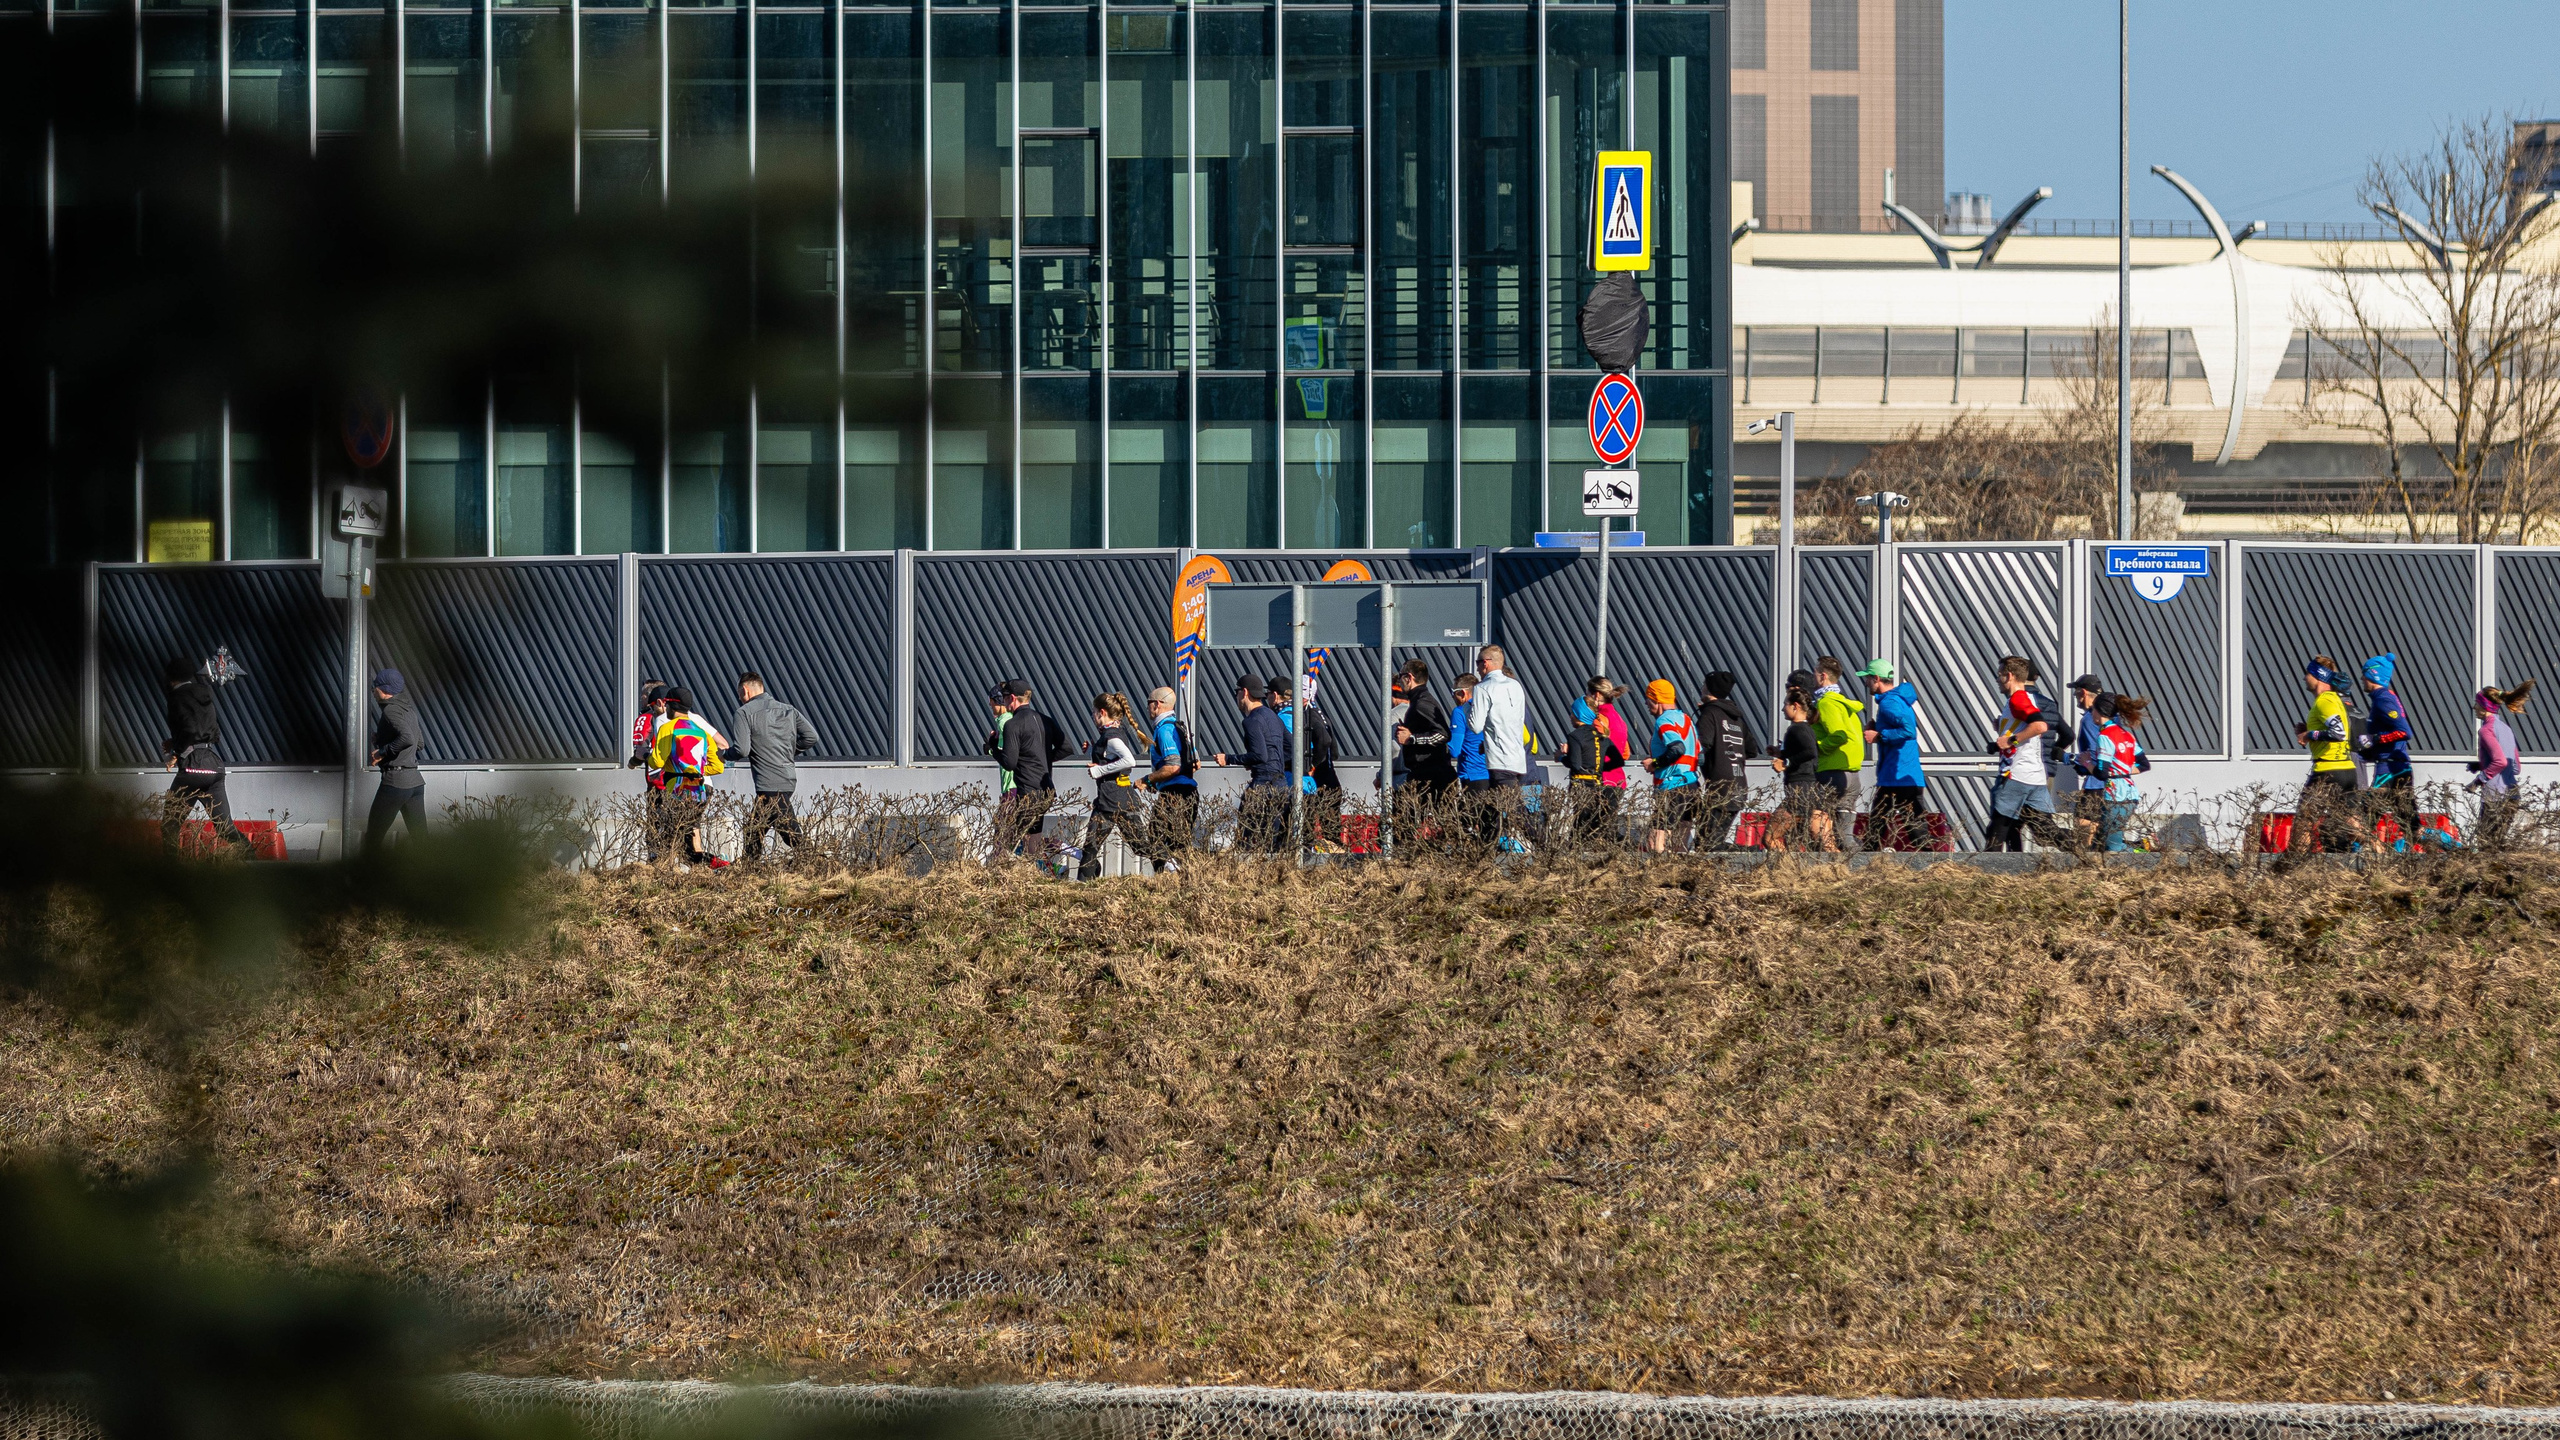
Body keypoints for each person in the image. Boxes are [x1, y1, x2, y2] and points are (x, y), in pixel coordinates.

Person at [159, 657, 253, 857]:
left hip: (194, 768)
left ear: (170, 678)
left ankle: (169, 875)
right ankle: (256, 862)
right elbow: (214, 733)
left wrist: (176, 752)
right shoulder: (205, 695)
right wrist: (176, 740)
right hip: (214, 768)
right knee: (225, 828)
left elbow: (190, 729)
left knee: (169, 826)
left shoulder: (176, 697)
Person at [732, 671, 821, 862]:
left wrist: (723, 755)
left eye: (739, 694)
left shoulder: (744, 713)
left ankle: (818, 863)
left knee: (790, 833)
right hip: (787, 778)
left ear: (745, 691)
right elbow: (812, 737)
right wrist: (788, 752)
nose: (740, 698)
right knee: (755, 831)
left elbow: (741, 749)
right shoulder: (788, 710)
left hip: (768, 782)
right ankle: (749, 869)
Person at [1984, 662, 2067, 852]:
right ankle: (2085, 851)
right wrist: (2002, 734)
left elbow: (2039, 726)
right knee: (2046, 832)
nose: (1997, 679)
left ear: (2010, 676)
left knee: (1997, 832)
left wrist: (2011, 740)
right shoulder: (2024, 698)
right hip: (2035, 777)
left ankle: (1986, 875)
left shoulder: (2017, 699)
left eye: (1999, 675)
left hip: (2015, 776)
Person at [648, 687, 730, 869]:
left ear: (671, 705)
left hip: (676, 787)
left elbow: (656, 762)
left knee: (670, 841)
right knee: (688, 841)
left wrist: (647, 756)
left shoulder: (667, 728)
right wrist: (696, 771)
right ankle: (713, 866)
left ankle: (718, 864)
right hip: (699, 788)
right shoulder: (702, 732)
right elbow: (718, 767)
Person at [1076, 693, 1151, 879]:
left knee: (1091, 848)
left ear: (1102, 712)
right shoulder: (1114, 733)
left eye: (1094, 712)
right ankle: (1175, 864)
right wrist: (1093, 750)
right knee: (1140, 846)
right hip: (1123, 799)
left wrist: (1099, 771)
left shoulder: (1111, 736)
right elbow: (1112, 757)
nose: (1093, 716)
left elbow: (1129, 760)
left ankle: (1084, 885)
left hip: (1110, 800)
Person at [2291, 656, 2360, 855]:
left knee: (2304, 819)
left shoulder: (2324, 702)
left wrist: (2309, 734)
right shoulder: (2335, 700)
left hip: (2328, 771)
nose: (2304, 678)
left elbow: (2338, 733)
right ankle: (2384, 857)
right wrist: (2309, 730)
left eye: (2308, 674)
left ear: (2318, 677)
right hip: (2347, 770)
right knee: (2352, 823)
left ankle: (2294, 867)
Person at [2355, 653, 2424, 851]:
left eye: (2364, 675)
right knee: (2412, 826)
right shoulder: (2385, 697)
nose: (2361, 679)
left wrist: (2376, 739)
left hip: (2389, 769)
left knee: (2365, 820)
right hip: (2398, 766)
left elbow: (2404, 732)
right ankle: (2456, 848)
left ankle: (2349, 862)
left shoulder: (2383, 700)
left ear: (2373, 675)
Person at [990, 678, 1065, 862]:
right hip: (1046, 790)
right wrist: (1044, 760)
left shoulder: (1012, 724)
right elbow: (1066, 748)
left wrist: (992, 748)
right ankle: (1042, 872)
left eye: (1005, 697)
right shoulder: (1045, 720)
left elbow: (1009, 763)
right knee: (1031, 842)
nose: (1003, 701)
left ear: (1013, 698)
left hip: (1027, 793)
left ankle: (1029, 876)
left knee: (1008, 839)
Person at [1214, 678, 1292, 852]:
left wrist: (1228, 759)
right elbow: (1290, 747)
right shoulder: (1273, 716)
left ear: (1245, 692)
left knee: (1246, 842)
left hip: (1262, 785)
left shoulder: (1251, 721)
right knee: (1272, 844)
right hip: (1281, 785)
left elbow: (1259, 755)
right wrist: (1273, 762)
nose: (1236, 697)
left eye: (1237, 693)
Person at [1859, 661, 1930, 852]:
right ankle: (1866, 860)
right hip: (1898, 774)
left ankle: (1933, 863)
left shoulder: (1889, 703)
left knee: (1909, 827)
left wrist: (1879, 735)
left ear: (1876, 679)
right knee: (1883, 822)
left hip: (1899, 775)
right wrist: (1878, 729)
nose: (1866, 683)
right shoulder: (1896, 700)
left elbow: (1908, 731)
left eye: (1867, 678)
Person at [363, 667, 426, 858]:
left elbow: (407, 738)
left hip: (395, 783)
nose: (373, 692)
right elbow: (420, 743)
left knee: (373, 839)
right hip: (415, 783)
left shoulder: (390, 710)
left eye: (374, 687)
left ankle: (362, 882)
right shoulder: (409, 710)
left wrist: (383, 752)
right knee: (422, 841)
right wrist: (383, 738)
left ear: (383, 689)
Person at [1563, 677, 1629, 847]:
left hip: (1599, 781)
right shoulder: (1619, 719)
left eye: (1588, 694)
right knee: (1603, 832)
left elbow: (1592, 747)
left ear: (1596, 695)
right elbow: (1625, 753)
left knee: (1586, 833)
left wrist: (1570, 752)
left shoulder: (1599, 719)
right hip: (1618, 779)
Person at [1694, 671, 1756, 850]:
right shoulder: (1737, 716)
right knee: (1713, 841)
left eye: (1704, 684)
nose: (1702, 687)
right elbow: (1751, 750)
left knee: (1706, 844)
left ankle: (1752, 853)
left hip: (1720, 787)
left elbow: (1701, 746)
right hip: (1739, 786)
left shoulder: (1710, 714)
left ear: (1709, 688)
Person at [1809, 657, 1866, 852]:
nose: (1813, 678)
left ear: (1823, 676)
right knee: (1845, 838)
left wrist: (1818, 746)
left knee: (1815, 819)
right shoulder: (1846, 704)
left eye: (1814, 674)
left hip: (1831, 770)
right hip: (1851, 773)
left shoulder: (1826, 703)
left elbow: (1839, 735)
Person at [1139, 686, 1198, 870]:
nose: (1147, 707)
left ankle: (1166, 881)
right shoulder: (1180, 729)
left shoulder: (1164, 730)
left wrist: (1148, 780)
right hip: (1190, 792)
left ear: (1157, 704)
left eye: (1149, 703)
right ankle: (1182, 881)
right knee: (1179, 845)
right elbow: (1195, 764)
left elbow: (1173, 766)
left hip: (1174, 795)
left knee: (1156, 840)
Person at [2087, 694, 2153, 852]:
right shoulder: (2127, 735)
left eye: (2092, 709)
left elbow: (2102, 773)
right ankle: (2143, 847)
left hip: (2115, 796)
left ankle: (2144, 852)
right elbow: (2144, 765)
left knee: (2113, 848)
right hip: (2131, 794)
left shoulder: (2104, 736)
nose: (2091, 713)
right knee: (2101, 843)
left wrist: (2086, 763)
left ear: (2099, 711)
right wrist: (2122, 771)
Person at [1642, 679, 1701, 853]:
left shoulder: (1664, 720)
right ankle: (1679, 878)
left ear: (1657, 699)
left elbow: (1677, 748)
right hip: (1692, 786)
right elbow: (1699, 754)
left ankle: (1659, 878)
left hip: (1672, 787)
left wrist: (1655, 763)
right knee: (1679, 846)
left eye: (1648, 698)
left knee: (1654, 845)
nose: (1646, 703)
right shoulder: (1687, 720)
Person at [2471, 680, 2532, 848]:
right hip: (2512, 796)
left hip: (2495, 797)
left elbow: (2500, 761)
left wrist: (2478, 780)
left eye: (2476, 704)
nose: (2474, 707)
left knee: (2485, 845)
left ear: (2484, 707)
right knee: (2497, 845)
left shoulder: (2486, 730)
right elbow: (2515, 767)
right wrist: (2481, 764)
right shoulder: (2505, 728)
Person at [1392, 660, 1457, 810]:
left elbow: (1443, 734)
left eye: (1401, 677)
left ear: (1409, 677)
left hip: (1433, 774)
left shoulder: (1423, 702)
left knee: (1403, 822)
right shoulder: (1418, 701)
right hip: (1424, 773)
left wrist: (1411, 738)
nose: (1400, 682)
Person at [1763, 689, 1822, 852]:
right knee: (1802, 842)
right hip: (1809, 790)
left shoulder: (1796, 729)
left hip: (1798, 791)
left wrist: (1786, 762)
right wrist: (1780, 753)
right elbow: (1808, 755)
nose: (1783, 709)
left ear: (1795, 706)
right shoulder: (1808, 729)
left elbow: (1810, 752)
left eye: (1785, 705)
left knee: (1770, 838)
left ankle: (1786, 871)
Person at [2066, 674, 2114, 851]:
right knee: (2100, 824)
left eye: (2075, 693)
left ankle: (2087, 862)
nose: (2076, 698)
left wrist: (2069, 759)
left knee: (2083, 822)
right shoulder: (2113, 716)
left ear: (2083, 693)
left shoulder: (2089, 719)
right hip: (2115, 782)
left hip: (2096, 780)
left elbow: (2094, 753)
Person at [626, 680, 672, 861]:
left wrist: (633, 762)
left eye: (643, 695)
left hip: (657, 782)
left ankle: (657, 868)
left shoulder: (645, 719)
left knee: (655, 830)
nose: (640, 698)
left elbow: (640, 748)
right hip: (681, 782)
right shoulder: (683, 716)